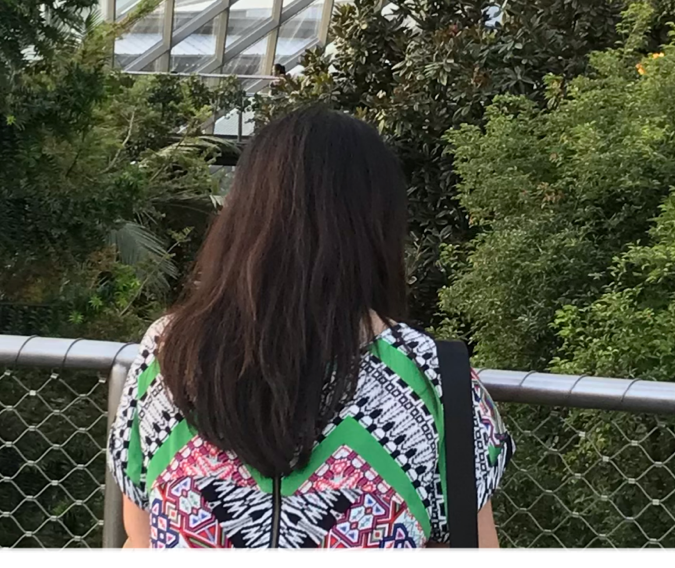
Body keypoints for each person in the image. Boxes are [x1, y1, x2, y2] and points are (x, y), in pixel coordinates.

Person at [107, 105, 514, 552]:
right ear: (378, 224)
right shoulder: (438, 380)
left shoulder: (169, 355)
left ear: (243, 213)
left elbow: (140, 536)